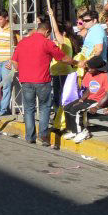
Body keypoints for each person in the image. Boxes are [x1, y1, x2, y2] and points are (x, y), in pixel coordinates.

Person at [10, 17, 75, 145]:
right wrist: (76, 62)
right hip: (42, 80)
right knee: (45, 107)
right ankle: (43, 136)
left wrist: (22, 70)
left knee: (29, 109)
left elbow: (14, 61)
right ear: (46, 32)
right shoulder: (47, 43)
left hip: (25, 80)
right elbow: (63, 58)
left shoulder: (22, 42)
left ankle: (30, 137)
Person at [63, 56, 108, 142]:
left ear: (97, 69)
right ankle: (73, 131)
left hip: (98, 101)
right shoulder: (89, 74)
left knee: (75, 109)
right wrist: (81, 99)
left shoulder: (104, 76)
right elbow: (89, 89)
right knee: (67, 107)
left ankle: (81, 131)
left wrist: (97, 107)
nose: (88, 70)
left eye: (91, 69)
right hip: (89, 98)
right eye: (88, 68)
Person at [50, 21, 79, 108]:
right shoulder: (64, 42)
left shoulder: (65, 40)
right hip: (59, 72)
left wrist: (52, 16)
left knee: (60, 96)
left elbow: (56, 31)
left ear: (64, 33)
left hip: (61, 73)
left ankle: (60, 116)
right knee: (60, 95)